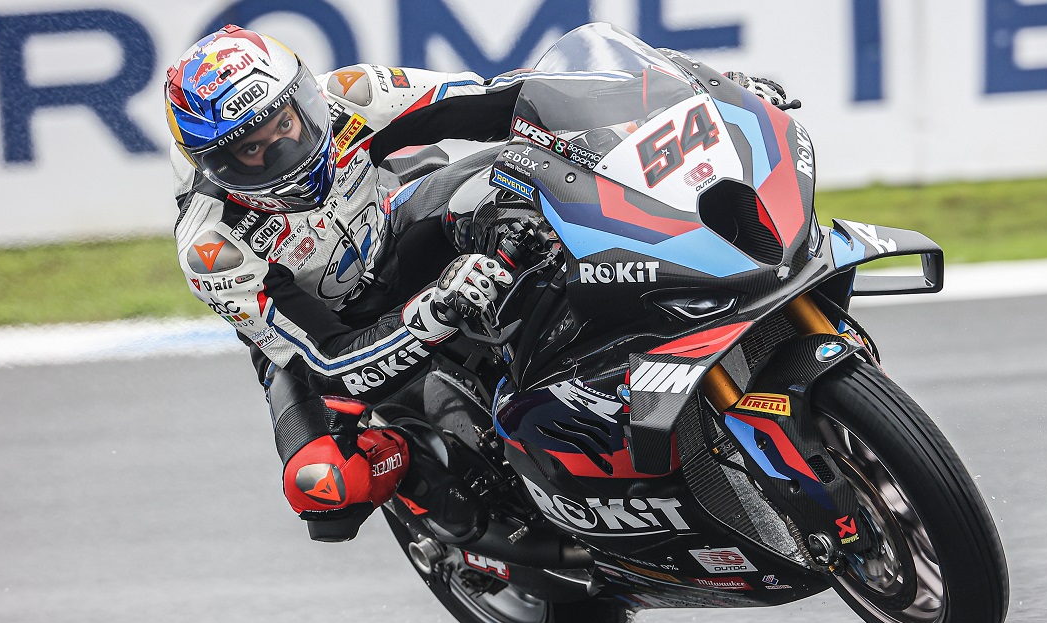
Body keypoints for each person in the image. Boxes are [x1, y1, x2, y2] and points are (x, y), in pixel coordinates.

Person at [165, 24, 787, 543]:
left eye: (285, 123)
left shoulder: (350, 96)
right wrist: (431, 314)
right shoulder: (214, 246)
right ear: (217, 165)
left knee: (518, 173)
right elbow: (329, 360)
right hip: (330, 334)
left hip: (397, 234)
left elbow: (514, 99)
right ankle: (447, 514)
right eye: (253, 150)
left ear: (302, 98)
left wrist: (702, 96)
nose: (283, 148)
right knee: (324, 485)